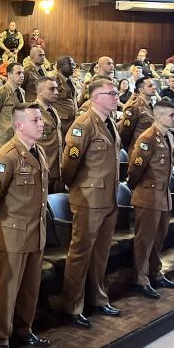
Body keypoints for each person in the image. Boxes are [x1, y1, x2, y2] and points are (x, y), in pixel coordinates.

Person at [0, 103, 52, 348]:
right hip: (12, 233)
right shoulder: (7, 156)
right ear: (20, 125)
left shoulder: (39, 151)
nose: (42, 123)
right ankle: (0, 338)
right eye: (36, 120)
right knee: (7, 290)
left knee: (30, 288)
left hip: (35, 231)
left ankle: (24, 330)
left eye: (41, 119)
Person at [60, 78, 122, 329]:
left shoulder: (110, 123)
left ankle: (97, 298)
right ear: (97, 98)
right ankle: (72, 306)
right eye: (112, 93)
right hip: (88, 198)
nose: (117, 97)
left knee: (100, 253)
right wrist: (74, 186)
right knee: (80, 253)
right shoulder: (83, 124)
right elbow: (69, 164)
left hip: (108, 198)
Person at [127, 99, 174, 299]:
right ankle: (140, 278)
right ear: (158, 116)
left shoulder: (168, 136)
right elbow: (135, 168)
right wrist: (137, 188)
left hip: (163, 195)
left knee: (159, 238)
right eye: (171, 114)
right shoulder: (147, 137)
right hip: (148, 196)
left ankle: (155, 272)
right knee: (145, 240)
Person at [35, 76, 63, 193]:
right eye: (52, 89)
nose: (56, 92)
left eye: (56, 89)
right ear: (40, 91)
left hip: (57, 168)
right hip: (41, 170)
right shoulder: (31, 111)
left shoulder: (54, 111)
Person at [119, 77, 157, 151]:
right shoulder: (134, 107)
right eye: (150, 86)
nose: (154, 87)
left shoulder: (152, 106)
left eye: (153, 85)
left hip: (151, 148)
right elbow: (124, 133)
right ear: (141, 90)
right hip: (139, 149)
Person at [0, 62, 26, 142]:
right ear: (9, 74)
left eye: (23, 73)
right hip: (5, 139)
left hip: (19, 137)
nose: (22, 75)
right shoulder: (1, 92)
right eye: (18, 73)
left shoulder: (22, 92)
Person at [52, 56, 81, 139]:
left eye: (73, 64)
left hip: (74, 120)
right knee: (63, 145)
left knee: (75, 143)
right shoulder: (54, 81)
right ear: (60, 67)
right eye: (70, 65)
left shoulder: (71, 80)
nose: (73, 67)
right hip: (63, 122)